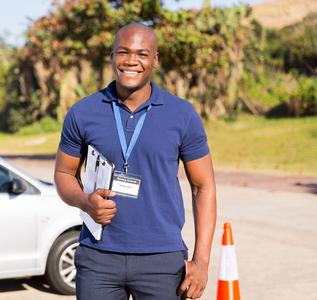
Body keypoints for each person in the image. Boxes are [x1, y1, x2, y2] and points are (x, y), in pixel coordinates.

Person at [54, 23, 216, 300]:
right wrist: (85, 201)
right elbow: (63, 173)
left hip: (163, 259)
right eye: (123, 52)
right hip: (98, 258)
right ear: (112, 56)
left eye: (142, 54)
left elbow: (204, 187)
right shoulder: (82, 112)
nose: (131, 61)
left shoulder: (182, 114)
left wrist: (201, 261)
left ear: (155, 60)